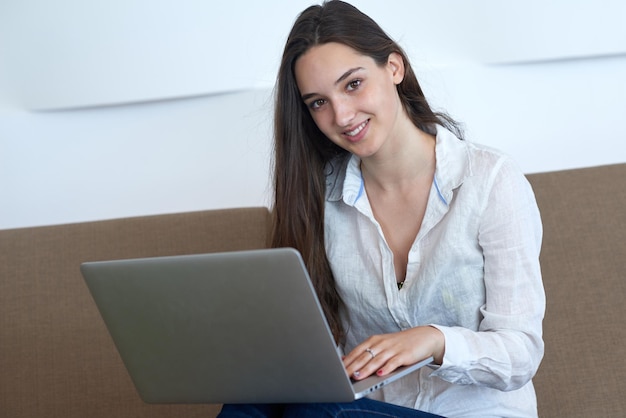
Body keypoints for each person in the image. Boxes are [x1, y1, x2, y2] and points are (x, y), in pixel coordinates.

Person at [219, 1, 545, 417]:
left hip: (471, 412)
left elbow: (521, 352)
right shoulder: (321, 197)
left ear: (393, 67)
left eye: (352, 84)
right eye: (318, 102)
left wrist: (433, 339)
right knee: (251, 401)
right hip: (368, 409)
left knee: (319, 414)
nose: (341, 115)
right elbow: (323, 342)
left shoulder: (490, 181)